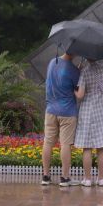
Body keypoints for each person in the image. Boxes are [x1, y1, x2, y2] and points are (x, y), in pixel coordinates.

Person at [41, 50, 81, 187]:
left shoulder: (53, 62)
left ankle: (45, 177)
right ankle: (64, 178)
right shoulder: (74, 70)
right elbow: (78, 90)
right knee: (65, 144)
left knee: (48, 143)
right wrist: (79, 71)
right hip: (67, 112)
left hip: (50, 110)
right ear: (74, 52)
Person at [74, 58, 103, 187]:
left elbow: (80, 95)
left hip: (87, 109)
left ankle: (87, 179)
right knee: (101, 147)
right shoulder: (102, 67)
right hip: (100, 108)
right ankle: (101, 179)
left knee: (87, 147)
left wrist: (74, 86)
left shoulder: (84, 71)